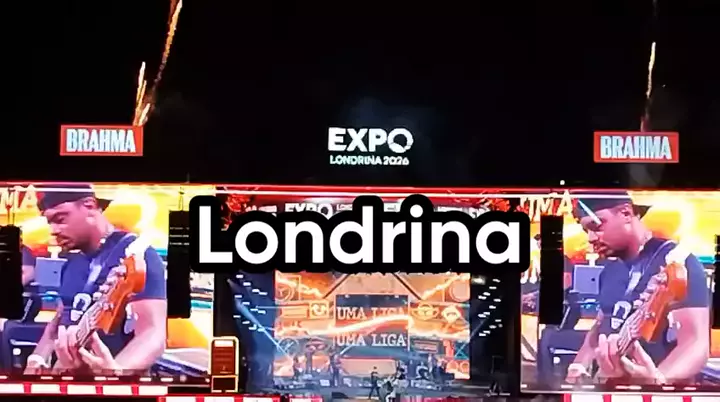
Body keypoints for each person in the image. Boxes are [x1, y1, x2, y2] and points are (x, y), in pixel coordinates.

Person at [565, 192, 709, 385]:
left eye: (596, 226)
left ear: (626, 213)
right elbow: (601, 324)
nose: (590, 238)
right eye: (586, 230)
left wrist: (657, 382)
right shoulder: (609, 269)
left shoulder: (677, 264)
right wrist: (579, 365)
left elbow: (695, 344)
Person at [24, 185, 167, 375]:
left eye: (60, 219)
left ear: (89, 206)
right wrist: (37, 358)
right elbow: (59, 320)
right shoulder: (72, 262)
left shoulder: (136, 255)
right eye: (49, 222)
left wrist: (115, 373)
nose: (53, 230)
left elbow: (152, 334)